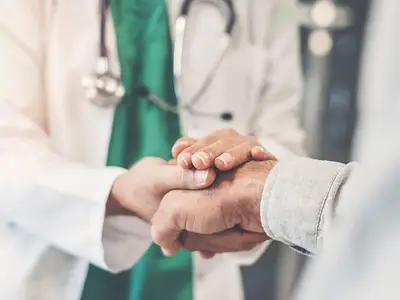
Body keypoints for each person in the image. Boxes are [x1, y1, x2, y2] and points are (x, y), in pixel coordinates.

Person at [0, 1, 303, 300]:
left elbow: (282, 146)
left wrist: (238, 190)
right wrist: (117, 194)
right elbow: (7, 154)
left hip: (198, 276)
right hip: (50, 266)